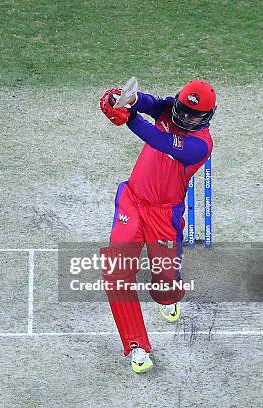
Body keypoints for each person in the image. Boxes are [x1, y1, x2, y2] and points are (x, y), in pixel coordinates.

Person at [98, 80, 216, 373]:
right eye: (183, 110)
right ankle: (136, 345)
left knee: (164, 276)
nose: (186, 117)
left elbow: (160, 141)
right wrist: (123, 99)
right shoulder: (168, 109)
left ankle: (167, 297)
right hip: (133, 202)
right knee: (116, 270)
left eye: (194, 115)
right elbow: (147, 102)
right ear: (178, 102)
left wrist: (131, 119)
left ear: (206, 117)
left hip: (165, 215)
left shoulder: (200, 146)